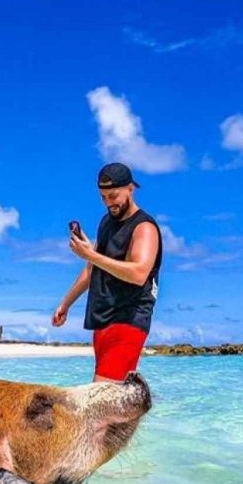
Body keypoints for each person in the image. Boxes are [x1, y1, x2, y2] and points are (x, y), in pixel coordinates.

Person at [50, 162, 163, 382]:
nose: (108, 203)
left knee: (99, 402)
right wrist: (65, 304)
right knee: (111, 404)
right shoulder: (106, 223)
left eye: (113, 196)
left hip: (129, 319)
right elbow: (92, 269)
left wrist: (91, 254)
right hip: (103, 320)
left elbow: (139, 273)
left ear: (130, 188)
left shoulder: (144, 227)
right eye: (103, 197)